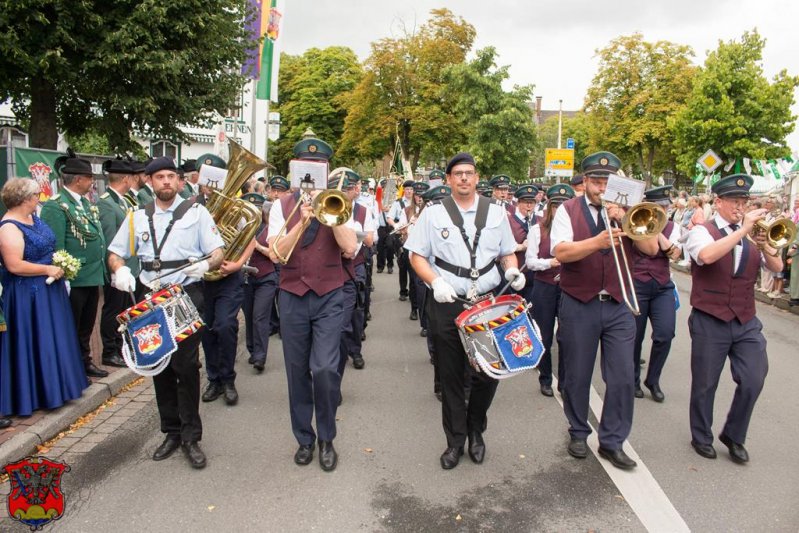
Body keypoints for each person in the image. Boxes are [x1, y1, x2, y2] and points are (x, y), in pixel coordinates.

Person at [405, 152, 523, 470]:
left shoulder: (496, 213)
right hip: (447, 301)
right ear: (448, 179)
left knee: (489, 373)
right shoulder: (433, 213)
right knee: (452, 375)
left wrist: (511, 270)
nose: (464, 179)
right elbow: (416, 255)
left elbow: (507, 252)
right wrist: (435, 282)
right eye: (457, 174)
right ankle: (455, 441)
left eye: (469, 173)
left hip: (487, 301)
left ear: (476, 177)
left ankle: (476, 429)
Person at [107, 157, 225, 469]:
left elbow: (217, 251)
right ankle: (171, 431)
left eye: (172, 176)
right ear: (150, 181)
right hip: (151, 297)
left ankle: (191, 436)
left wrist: (206, 264)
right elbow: (115, 253)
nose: (166, 182)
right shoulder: (137, 216)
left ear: (181, 182)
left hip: (185, 294)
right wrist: (119, 270)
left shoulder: (196, 213)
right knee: (157, 363)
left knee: (186, 366)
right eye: (160, 177)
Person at [551, 151, 658, 471]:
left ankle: (612, 441)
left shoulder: (628, 211)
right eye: (597, 182)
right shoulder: (567, 211)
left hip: (618, 303)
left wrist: (626, 218)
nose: (602, 188)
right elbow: (561, 252)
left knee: (624, 375)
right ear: (585, 182)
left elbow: (651, 249)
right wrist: (597, 242)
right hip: (579, 302)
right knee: (577, 374)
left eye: (608, 183)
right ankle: (579, 431)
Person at [267, 137, 357, 472]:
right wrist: (302, 221)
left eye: (318, 167)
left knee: (323, 368)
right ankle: (304, 438)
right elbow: (277, 253)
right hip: (292, 295)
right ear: (295, 170)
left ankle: (327, 438)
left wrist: (329, 216)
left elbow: (350, 250)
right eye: (306, 166)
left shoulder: (338, 202)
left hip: (329, 294)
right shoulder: (281, 205)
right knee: (296, 371)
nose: (312, 172)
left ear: (326, 171)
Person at [683, 174, 781, 464]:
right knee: (705, 383)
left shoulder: (752, 235)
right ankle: (701, 436)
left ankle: (734, 435)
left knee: (754, 377)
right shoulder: (703, 230)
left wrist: (764, 245)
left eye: (744, 202)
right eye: (735, 202)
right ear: (719, 202)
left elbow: (776, 268)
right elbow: (707, 256)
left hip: (745, 318)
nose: (741, 207)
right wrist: (742, 231)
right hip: (710, 317)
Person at [0, 178, 90, 416]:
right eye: (36, 195)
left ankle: (57, 388)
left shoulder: (33, 217)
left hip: (49, 291)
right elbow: (14, 265)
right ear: (24, 199)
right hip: (27, 295)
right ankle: (37, 394)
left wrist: (59, 264)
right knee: (35, 340)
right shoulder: (9, 227)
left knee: (52, 339)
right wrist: (47, 269)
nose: (39, 198)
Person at [40, 153, 109, 379]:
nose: (92, 183)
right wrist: (65, 277)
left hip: (92, 275)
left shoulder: (85, 204)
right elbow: (56, 246)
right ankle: (69, 368)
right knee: (71, 325)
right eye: (90, 178)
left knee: (86, 327)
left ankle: (84, 361)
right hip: (74, 278)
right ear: (79, 179)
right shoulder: (57, 206)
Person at [199, 154, 254, 408]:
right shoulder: (190, 206)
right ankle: (214, 379)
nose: (211, 184)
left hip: (228, 276)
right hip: (200, 279)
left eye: (217, 178)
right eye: (207, 177)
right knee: (206, 329)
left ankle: (229, 379)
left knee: (224, 326)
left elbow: (250, 237)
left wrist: (239, 263)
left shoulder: (235, 206)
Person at [631, 186, 682, 402]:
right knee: (635, 337)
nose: (662, 210)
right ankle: (633, 379)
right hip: (638, 284)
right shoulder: (634, 222)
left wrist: (657, 230)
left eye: (665, 206)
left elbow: (675, 254)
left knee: (665, 333)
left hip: (662, 286)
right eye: (657, 207)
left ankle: (653, 378)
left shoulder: (673, 227)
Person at [525, 184, 574, 397]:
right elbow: (530, 262)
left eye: (565, 206)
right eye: (556, 206)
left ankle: (564, 382)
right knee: (544, 336)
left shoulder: (576, 232)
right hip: (544, 286)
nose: (560, 210)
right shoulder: (537, 229)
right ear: (550, 207)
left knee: (567, 337)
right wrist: (550, 263)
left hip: (568, 287)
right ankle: (545, 378)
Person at [97, 158, 139, 369]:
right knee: (113, 309)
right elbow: (110, 240)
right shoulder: (106, 203)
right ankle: (110, 350)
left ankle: (122, 345)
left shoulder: (123, 200)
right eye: (131, 177)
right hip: (117, 267)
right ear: (125, 178)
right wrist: (114, 269)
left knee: (125, 308)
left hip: (130, 266)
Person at [337, 170, 375, 376]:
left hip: (357, 265)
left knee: (356, 311)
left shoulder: (363, 210)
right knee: (341, 316)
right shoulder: (333, 204)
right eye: (348, 188)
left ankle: (356, 351)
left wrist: (354, 233)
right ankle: (341, 352)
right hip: (336, 265)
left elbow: (370, 240)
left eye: (352, 188)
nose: (352, 192)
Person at [241, 194, 277, 373]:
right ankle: (253, 350)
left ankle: (260, 356)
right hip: (245, 279)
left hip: (266, 278)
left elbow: (273, 254)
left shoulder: (268, 228)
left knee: (259, 316)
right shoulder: (239, 228)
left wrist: (256, 246)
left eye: (257, 207)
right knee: (248, 316)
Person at [507, 184, 538, 303]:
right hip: (515, 273)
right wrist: (522, 247)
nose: (529, 205)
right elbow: (501, 247)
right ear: (518, 203)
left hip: (534, 275)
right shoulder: (508, 221)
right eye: (526, 202)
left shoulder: (540, 221)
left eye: (532, 202)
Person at [389, 180, 415, 300]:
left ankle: (414, 292)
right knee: (403, 265)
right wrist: (396, 226)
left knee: (414, 267)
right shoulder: (398, 203)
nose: (409, 191)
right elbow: (389, 217)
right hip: (401, 237)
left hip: (414, 237)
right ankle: (403, 291)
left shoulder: (418, 203)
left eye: (411, 189)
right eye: (407, 189)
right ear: (404, 190)